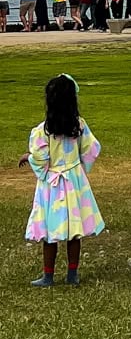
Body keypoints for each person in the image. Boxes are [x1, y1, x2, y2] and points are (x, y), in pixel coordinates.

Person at [21, 74, 105, 286]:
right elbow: (92, 149)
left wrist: (29, 157)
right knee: (74, 231)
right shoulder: (79, 125)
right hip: (74, 183)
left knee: (50, 232)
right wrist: (79, 168)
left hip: (52, 185)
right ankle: (72, 275)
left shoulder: (42, 131)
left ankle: (48, 276)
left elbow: (40, 159)